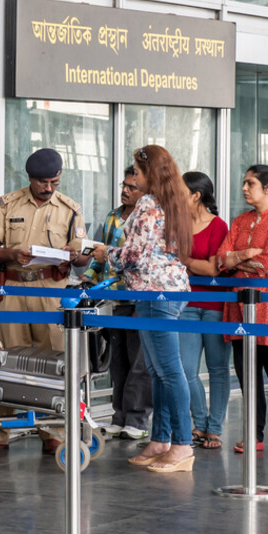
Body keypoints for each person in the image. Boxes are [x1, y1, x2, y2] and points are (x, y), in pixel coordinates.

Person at [0, 148, 90, 455]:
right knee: (5, 359)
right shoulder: (8, 203)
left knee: (54, 360)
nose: (49, 187)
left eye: (54, 182)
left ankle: (53, 431)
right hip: (15, 287)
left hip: (51, 289)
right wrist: (11, 254)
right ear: (30, 178)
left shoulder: (70, 209)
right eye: (43, 182)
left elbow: (82, 259)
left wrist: (75, 255)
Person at [92, 145, 194, 473]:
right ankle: (161, 440)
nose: (133, 178)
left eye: (136, 171)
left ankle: (182, 444)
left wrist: (105, 253)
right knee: (158, 371)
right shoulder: (173, 201)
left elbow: (136, 254)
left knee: (168, 371)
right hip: (168, 290)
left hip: (154, 292)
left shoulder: (149, 203)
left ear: (149, 172)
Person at [216, 165, 268, 458]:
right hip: (239, 306)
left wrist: (236, 261)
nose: (243, 188)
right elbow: (220, 260)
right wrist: (243, 256)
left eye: (250, 183)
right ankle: (254, 433)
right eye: (244, 183)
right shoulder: (240, 221)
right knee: (247, 374)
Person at [82, 166, 152, 441]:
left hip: (136, 298)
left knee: (139, 363)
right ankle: (119, 416)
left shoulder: (146, 220)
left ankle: (137, 419)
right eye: (124, 185)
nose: (125, 190)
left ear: (145, 192)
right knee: (117, 361)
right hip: (111, 298)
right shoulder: (113, 216)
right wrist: (88, 278)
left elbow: (141, 259)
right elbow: (101, 257)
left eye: (132, 187)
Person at [179, 171, 232, 450]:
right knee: (186, 369)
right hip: (186, 304)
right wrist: (191, 264)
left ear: (196, 195)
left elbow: (213, 268)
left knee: (218, 369)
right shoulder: (178, 226)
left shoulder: (219, 226)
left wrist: (184, 261)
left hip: (216, 306)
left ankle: (215, 428)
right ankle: (199, 423)